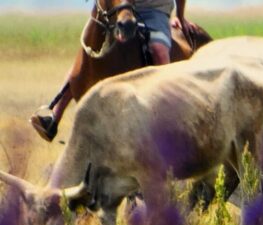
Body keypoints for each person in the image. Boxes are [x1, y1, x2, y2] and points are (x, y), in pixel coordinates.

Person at [29, 0, 201, 142]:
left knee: (159, 50)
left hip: (154, 10)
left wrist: (180, 15)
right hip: (120, 6)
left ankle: (168, 119)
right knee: (90, 49)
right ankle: (54, 117)